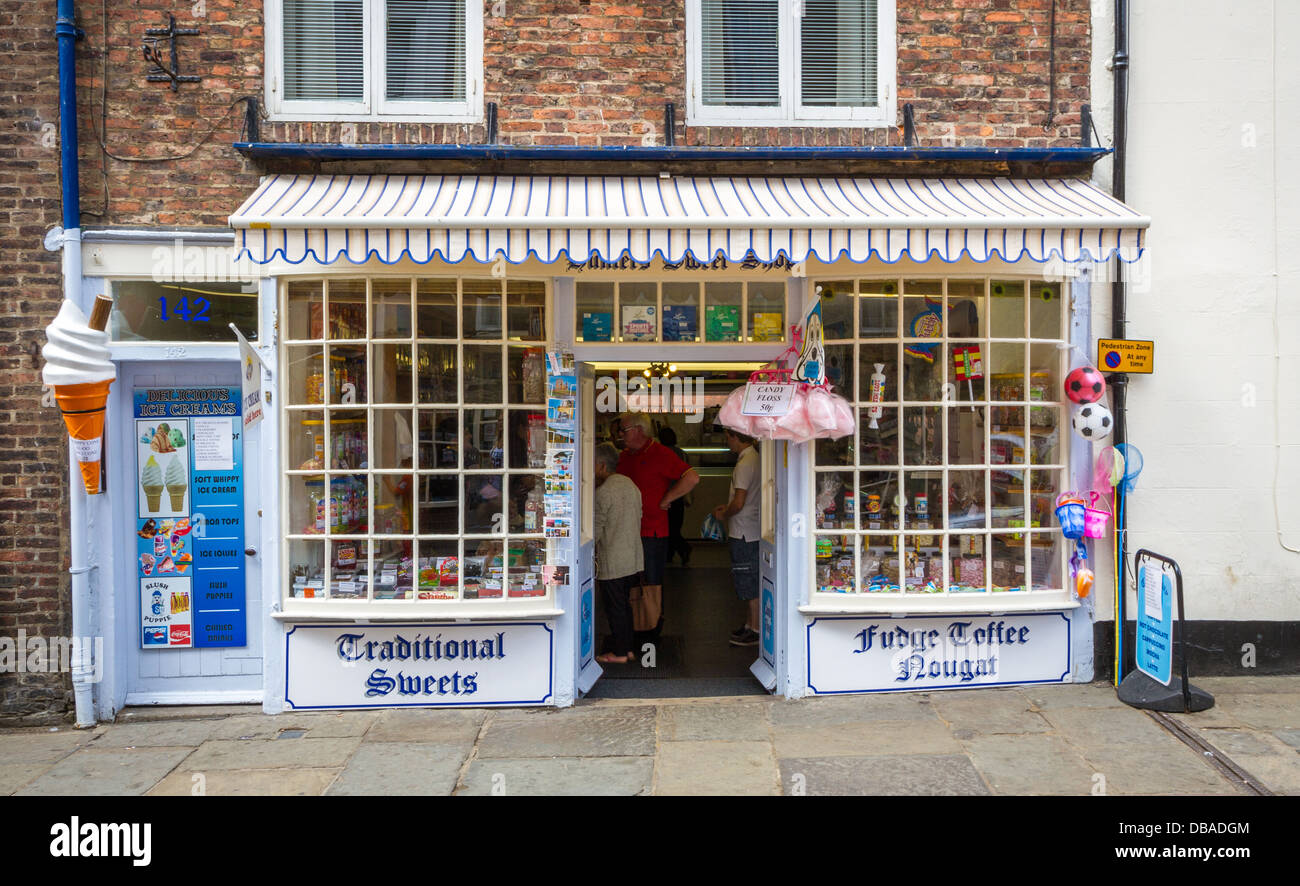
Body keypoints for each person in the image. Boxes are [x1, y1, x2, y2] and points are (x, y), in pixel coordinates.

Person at [615, 412, 700, 640]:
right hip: (626, 530)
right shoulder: (623, 456)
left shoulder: (660, 453)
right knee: (630, 581)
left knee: (651, 582)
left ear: (639, 431)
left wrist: (667, 498)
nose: (620, 435)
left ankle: (651, 631)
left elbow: (691, 477)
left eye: (624, 430)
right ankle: (636, 626)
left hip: (652, 530)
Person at [592, 443, 643, 664]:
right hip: (632, 556)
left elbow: (595, 530)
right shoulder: (630, 484)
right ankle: (628, 648)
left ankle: (620, 653)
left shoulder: (603, 492)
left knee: (615, 608)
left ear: (602, 465)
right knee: (624, 605)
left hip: (612, 558)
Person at [714, 428, 762, 646]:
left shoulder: (744, 464)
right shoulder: (755, 457)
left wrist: (725, 513)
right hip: (752, 527)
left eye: (728, 437)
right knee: (750, 577)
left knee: (747, 580)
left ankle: (755, 629)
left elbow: (740, 501)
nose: (727, 442)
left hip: (743, 531)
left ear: (736, 437)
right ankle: (749, 624)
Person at [656, 426, 692, 567]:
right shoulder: (682, 453)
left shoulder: (661, 453)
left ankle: (680, 549)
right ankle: (674, 552)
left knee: (669, 528)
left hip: (666, 495)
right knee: (675, 526)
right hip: (680, 495)